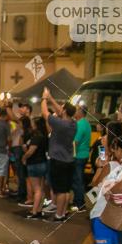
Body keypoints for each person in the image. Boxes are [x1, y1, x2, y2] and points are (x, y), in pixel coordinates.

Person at [41, 87, 77, 222]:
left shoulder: (60, 124)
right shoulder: (73, 123)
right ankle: (63, 212)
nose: (59, 109)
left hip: (59, 161)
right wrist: (51, 98)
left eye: (62, 108)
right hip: (68, 160)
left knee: (60, 190)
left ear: (65, 111)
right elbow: (60, 111)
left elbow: (45, 113)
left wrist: (44, 98)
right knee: (66, 190)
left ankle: (59, 215)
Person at [22, 117, 49, 219]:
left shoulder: (36, 136)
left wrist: (24, 158)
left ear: (36, 125)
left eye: (33, 123)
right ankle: (39, 210)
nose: (32, 125)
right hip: (42, 163)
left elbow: (31, 151)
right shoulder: (44, 136)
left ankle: (34, 212)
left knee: (37, 190)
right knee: (41, 189)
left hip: (34, 164)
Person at [71, 105, 92, 212]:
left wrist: (72, 155)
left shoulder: (80, 124)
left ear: (80, 112)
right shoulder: (86, 123)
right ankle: (77, 201)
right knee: (78, 179)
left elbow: (75, 142)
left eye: (76, 110)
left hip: (78, 156)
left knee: (77, 180)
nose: (74, 112)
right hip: (83, 155)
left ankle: (80, 203)